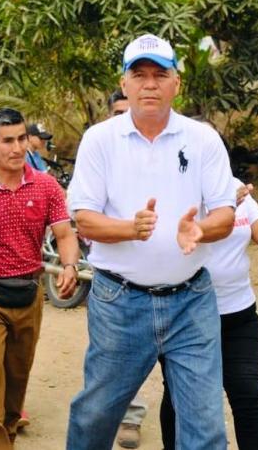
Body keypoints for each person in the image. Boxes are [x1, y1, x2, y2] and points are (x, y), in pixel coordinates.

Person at [65, 34, 236, 450]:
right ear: (124, 83)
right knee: (96, 415)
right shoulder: (100, 139)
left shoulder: (202, 139)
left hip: (192, 301)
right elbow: (83, 217)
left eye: (160, 74)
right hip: (120, 303)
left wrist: (201, 230)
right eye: (139, 74)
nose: (149, 84)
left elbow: (225, 213)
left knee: (205, 427)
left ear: (177, 83)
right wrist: (131, 229)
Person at [0, 107, 78, 449]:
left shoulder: (46, 186)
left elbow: (65, 234)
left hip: (28, 292)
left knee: (17, 373)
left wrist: (69, 266)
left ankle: (7, 431)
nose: (17, 147)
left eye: (22, 138)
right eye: (7, 141)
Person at [156, 181, 258, 449]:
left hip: (238, 313)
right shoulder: (173, 184)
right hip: (186, 315)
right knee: (180, 396)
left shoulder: (234, 187)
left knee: (248, 395)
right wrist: (216, 215)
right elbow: (163, 239)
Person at [106, 88, 148, 449]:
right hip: (117, 280)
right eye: (118, 112)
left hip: (168, 275)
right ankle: (129, 416)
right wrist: (128, 229)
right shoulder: (101, 149)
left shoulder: (159, 150)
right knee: (120, 355)